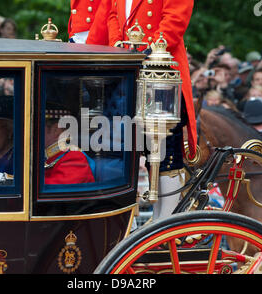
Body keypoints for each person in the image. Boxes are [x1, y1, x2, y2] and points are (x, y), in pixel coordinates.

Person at [106, 0, 197, 219]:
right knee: (125, 151)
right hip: (127, 73)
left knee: (166, 157)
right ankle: (135, 225)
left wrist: (146, 52)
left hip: (160, 74)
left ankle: (164, 224)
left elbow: (175, 20)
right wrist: (117, 44)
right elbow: (112, 15)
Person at [43, 103, 95, 185]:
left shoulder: (74, 157)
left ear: (56, 130)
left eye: (40, 127)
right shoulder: (51, 155)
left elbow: (56, 190)